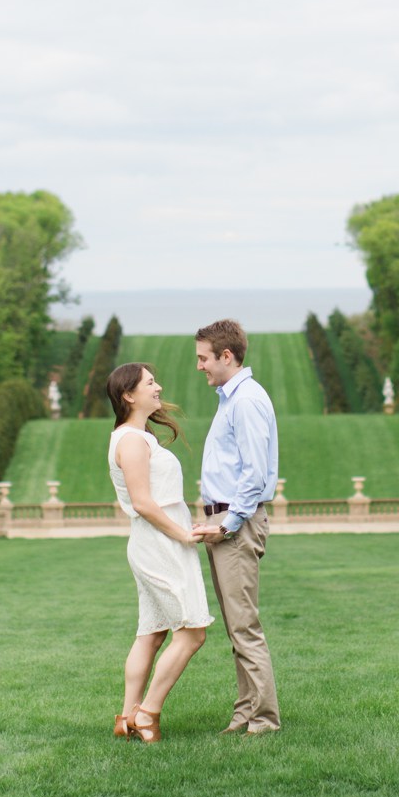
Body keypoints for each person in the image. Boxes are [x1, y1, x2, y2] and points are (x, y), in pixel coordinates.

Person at [105, 361, 211, 743]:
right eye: (151, 383)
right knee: (192, 633)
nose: (159, 387)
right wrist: (183, 535)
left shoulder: (136, 436)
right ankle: (146, 714)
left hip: (157, 540)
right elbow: (144, 503)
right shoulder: (131, 440)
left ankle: (126, 716)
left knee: (152, 633)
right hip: (159, 543)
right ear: (128, 395)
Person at [192, 318, 280, 734]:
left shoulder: (245, 401)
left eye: (203, 359)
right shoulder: (232, 399)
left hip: (235, 523)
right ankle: (245, 712)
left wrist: (227, 523)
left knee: (244, 625)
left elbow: (255, 473)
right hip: (224, 519)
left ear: (227, 356)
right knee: (235, 625)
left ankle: (263, 717)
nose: (200, 367)